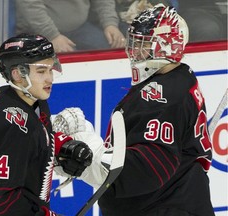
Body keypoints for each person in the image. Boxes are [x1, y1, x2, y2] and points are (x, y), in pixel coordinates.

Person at [55, 4, 215, 216]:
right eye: (134, 42)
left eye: (143, 44)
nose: (134, 51)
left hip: (165, 208)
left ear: (166, 45)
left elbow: (143, 172)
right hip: (178, 200)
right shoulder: (178, 77)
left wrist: (85, 151)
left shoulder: (162, 97)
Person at [0, 34, 93, 216]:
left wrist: (61, 146)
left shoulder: (27, 99)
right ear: (18, 74)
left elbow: (34, 135)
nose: (49, 79)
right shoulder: (7, 124)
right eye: (42, 71)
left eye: (51, 69)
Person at [14, 0, 126, 53]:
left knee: (109, 50)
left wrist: (110, 24)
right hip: (36, 31)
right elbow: (29, 5)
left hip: (79, 28)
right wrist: (52, 35)